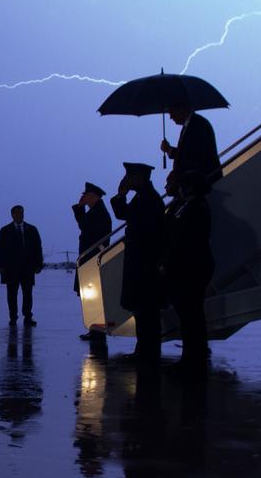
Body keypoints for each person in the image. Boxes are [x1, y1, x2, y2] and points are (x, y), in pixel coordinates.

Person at [110, 163, 165, 361]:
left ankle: (148, 352)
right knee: (142, 311)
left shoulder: (149, 199)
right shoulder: (143, 197)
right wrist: (121, 196)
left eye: (130, 177)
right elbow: (123, 214)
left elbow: (137, 222)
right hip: (140, 262)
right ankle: (144, 350)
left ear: (140, 178)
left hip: (145, 264)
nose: (127, 180)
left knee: (147, 311)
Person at [161, 171, 214, 373]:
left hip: (191, 268)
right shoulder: (186, 206)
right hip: (188, 267)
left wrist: (166, 261)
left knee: (192, 316)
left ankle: (193, 361)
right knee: (189, 316)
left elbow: (182, 239)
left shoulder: (195, 208)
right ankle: (191, 359)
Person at [72, 182, 112, 342]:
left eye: (86, 195)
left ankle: (98, 330)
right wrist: (80, 208)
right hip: (89, 258)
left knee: (96, 296)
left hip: (92, 259)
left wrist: (80, 208)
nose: (83, 197)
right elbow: (85, 227)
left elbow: (86, 229)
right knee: (93, 297)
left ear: (93, 196)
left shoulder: (99, 212)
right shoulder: (96, 211)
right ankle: (95, 328)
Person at [0, 205, 44, 327]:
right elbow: (0, 249)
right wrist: (0, 266)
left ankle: (28, 316)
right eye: (16, 213)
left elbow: (38, 248)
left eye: (21, 213)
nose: (19, 215)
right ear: (12, 215)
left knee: (28, 294)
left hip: (27, 268)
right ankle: (13, 317)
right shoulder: (5, 231)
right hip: (10, 269)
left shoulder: (32, 230)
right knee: (12, 295)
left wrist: (38, 264)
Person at [159, 106, 222, 183]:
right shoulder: (191, 124)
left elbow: (193, 155)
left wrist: (170, 150)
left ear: (182, 108)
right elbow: (189, 153)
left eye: (172, 112)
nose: (171, 117)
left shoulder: (197, 123)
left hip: (205, 181)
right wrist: (169, 150)